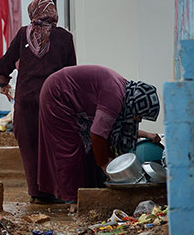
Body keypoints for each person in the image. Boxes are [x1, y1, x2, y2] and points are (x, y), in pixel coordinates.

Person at [37, 65, 161, 213]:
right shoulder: (114, 98)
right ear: (135, 105)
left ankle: (88, 190)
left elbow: (108, 130)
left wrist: (146, 136)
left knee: (91, 150)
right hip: (58, 94)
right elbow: (98, 135)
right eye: (139, 115)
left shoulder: (125, 94)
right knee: (71, 148)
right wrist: (105, 165)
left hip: (71, 99)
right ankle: (73, 200)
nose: (138, 119)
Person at [0, 0, 77, 203]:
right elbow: (71, 74)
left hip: (26, 102)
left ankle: (37, 193)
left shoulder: (24, 33)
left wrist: (2, 82)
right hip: (53, 102)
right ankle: (54, 192)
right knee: (53, 147)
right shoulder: (65, 38)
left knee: (30, 147)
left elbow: (5, 64)